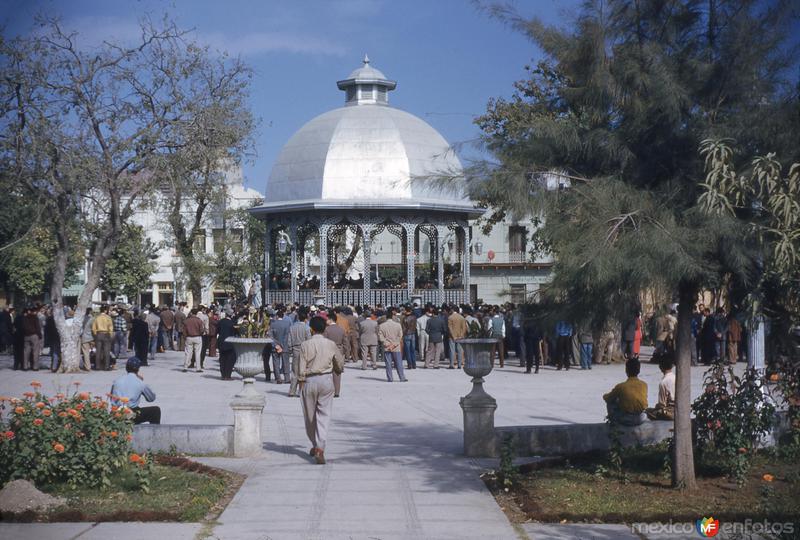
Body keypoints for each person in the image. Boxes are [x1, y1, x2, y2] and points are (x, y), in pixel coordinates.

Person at [298, 316, 344, 465]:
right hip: (326, 380)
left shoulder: (305, 345)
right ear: (325, 328)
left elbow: (300, 367)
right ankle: (320, 447)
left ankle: (314, 443)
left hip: (309, 380)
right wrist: (338, 369)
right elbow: (339, 362)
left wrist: (300, 381)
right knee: (324, 415)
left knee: (309, 416)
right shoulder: (330, 344)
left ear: (311, 328)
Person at [111, 357, 161, 424]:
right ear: (138, 369)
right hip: (131, 413)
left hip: (117, 412)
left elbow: (112, 398)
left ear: (126, 368)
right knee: (155, 411)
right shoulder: (140, 382)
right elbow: (151, 398)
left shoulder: (117, 381)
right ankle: (155, 433)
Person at [603, 358, 648, 426]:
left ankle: (614, 425)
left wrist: (604, 396)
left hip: (626, 418)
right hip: (641, 417)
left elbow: (608, 398)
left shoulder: (621, 386)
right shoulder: (644, 384)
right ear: (639, 370)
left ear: (626, 370)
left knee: (611, 402)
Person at [378, 307, 407, 382]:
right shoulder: (398, 325)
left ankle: (390, 378)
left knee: (388, 364)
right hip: (396, 347)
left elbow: (380, 337)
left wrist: (387, 344)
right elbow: (400, 336)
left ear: (386, 317)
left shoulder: (382, 326)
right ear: (392, 317)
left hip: (387, 347)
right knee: (399, 363)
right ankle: (402, 377)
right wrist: (394, 344)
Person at [288, 309, 312, 396]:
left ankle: (292, 391)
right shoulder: (307, 328)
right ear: (305, 319)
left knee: (294, 371)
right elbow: (309, 340)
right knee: (303, 371)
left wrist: (290, 349)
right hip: (304, 350)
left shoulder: (292, 327)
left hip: (295, 350)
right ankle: (301, 391)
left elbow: (289, 340)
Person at [323, 311, 347, 397]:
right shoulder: (341, 329)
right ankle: (337, 392)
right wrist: (343, 352)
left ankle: (328, 391)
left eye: (327, 319)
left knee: (327, 372)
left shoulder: (326, 329)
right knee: (337, 372)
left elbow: (324, 341)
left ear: (330, 319)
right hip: (339, 350)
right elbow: (345, 343)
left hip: (328, 350)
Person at [647, 356, 675, 420]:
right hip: (680, 409)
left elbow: (662, 404)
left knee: (648, 411)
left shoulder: (663, 382)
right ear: (672, 366)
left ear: (660, 367)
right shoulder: (677, 378)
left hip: (669, 412)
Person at [269, 309, 292, 384]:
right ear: (283, 316)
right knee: (286, 363)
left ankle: (278, 378)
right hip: (285, 345)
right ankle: (287, 378)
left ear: (277, 316)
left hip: (275, 346)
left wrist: (276, 345)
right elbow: (287, 336)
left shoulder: (273, 324)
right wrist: (283, 345)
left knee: (276, 362)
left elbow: (271, 336)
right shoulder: (287, 324)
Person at [216, 312, 238, 380]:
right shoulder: (232, 323)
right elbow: (235, 332)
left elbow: (218, 330)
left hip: (221, 341)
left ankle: (223, 375)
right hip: (230, 342)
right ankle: (228, 375)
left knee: (222, 359)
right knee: (230, 359)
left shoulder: (220, 322)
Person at [92, 305, 113, 371]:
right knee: (107, 351)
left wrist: (95, 334)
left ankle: (97, 366)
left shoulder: (97, 318)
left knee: (98, 351)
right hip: (106, 334)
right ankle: (106, 366)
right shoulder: (108, 318)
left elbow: (93, 328)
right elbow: (111, 327)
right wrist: (110, 334)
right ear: (105, 311)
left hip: (99, 334)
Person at [183, 308, 205, 372]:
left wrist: (185, 337)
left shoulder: (186, 321)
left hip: (189, 337)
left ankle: (185, 367)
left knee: (188, 353)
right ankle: (198, 368)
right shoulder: (199, 321)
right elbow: (202, 330)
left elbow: (184, 330)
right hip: (197, 337)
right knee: (198, 353)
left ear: (191, 313)